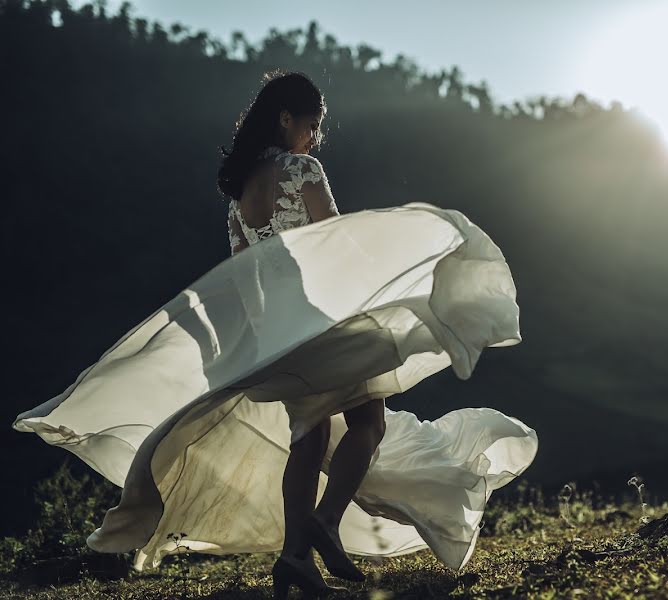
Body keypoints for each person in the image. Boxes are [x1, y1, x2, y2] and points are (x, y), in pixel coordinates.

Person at [13, 69, 538, 599]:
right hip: (320, 318)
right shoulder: (302, 170)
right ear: (285, 118)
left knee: (307, 439)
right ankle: (326, 522)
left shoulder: (240, 195)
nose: (314, 136)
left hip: (278, 334)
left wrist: (258, 342)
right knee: (368, 423)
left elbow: (244, 277)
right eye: (311, 124)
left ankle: (294, 561)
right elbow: (336, 244)